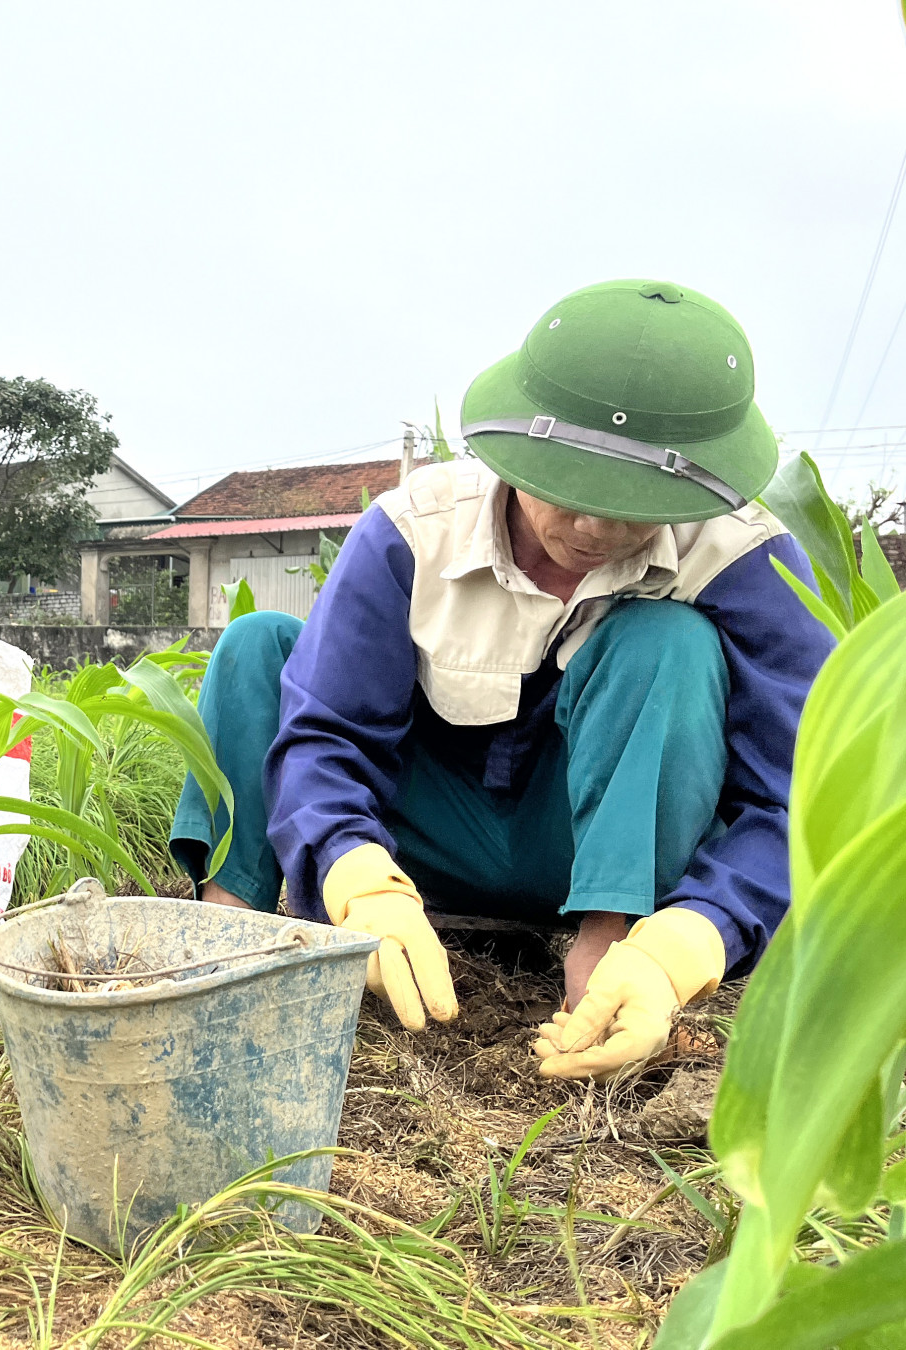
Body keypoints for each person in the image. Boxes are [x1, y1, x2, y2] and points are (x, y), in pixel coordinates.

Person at [170, 280, 832, 1080]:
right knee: (257, 647)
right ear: (516, 453)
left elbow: (803, 794)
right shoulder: (414, 532)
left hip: (586, 851)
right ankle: (226, 937)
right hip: (424, 839)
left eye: (636, 506)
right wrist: (355, 872)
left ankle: (607, 963)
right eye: (571, 492)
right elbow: (327, 732)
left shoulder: (740, 558)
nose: (597, 529)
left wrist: (692, 939)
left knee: (668, 641)